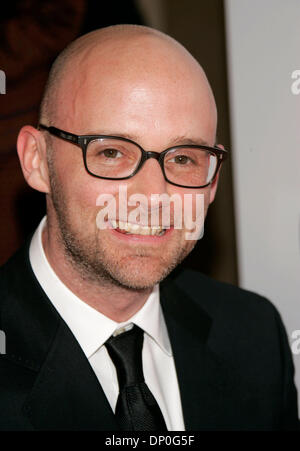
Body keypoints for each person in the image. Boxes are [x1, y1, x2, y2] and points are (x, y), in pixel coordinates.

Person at [0, 24, 298, 431]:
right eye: (111, 152)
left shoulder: (253, 335)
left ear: (212, 181)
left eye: (183, 158)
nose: (153, 195)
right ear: (37, 160)